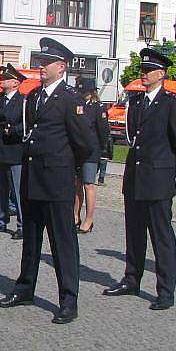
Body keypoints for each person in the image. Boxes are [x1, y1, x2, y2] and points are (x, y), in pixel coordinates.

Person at [0, 38, 92, 324]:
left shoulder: (70, 99)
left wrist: (64, 164)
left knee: (63, 242)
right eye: (40, 62)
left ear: (61, 67)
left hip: (57, 180)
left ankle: (68, 300)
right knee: (31, 240)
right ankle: (25, 287)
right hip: (33, 177)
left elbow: (85, 143)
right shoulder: (34, 96)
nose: (41, 67)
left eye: (46, 63)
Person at [103, 48, 176, 311]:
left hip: (158, 178)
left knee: (161, 236)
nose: (143, 74)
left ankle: (165, 290)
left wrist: (170, 169)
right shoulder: (138, 102)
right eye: (142, 70)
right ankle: (132, 278)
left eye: (147, 71)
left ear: (161, 74)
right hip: (136, 177)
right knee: (134, 232)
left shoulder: (171, 102)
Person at [0, 63, 26, 238]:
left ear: (15, 83)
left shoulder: (22, 101)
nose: (2, 81)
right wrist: (3, 118)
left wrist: (12, 128)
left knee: (18, 190)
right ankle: (0, 219)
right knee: (0, 187)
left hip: (14, 150)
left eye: (6, 79)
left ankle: (22, 225)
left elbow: (24, 124)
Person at [73, 77, 110, 234]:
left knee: (88, 184)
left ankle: (88, 219)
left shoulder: (98, 108)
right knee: (76, 184)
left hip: (91, 151)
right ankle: (75, 216)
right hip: (77, 151)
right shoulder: (77, 105)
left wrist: (101, 150)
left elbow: (103, 132)